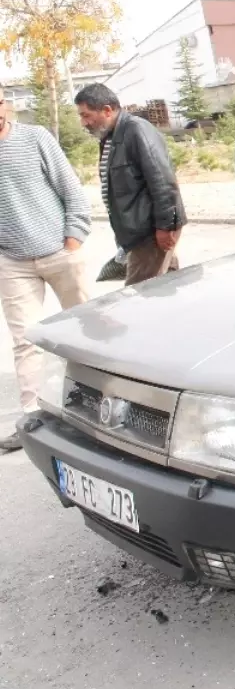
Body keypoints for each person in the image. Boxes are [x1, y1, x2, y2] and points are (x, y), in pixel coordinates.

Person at [0, 89, 92, 450]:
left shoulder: (35, 138)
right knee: (25, 342)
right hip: (12, 261)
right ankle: (32, 419)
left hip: (60, 250)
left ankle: (98, 412)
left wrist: (74, 235)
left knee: (86, 331)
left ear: (4, 104)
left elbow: (71, 189)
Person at [76, 84, 187, 285]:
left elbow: (163, 180)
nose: (83, 122)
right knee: (168, 290)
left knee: (140, 298)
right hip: (139, 233)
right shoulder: (111, 136)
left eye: (86, 115)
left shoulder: (136, 130)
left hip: (150, 234)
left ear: (107, 110)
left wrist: (165, 226)